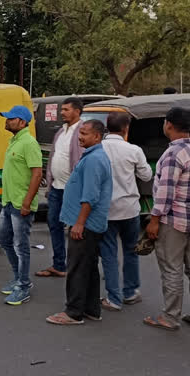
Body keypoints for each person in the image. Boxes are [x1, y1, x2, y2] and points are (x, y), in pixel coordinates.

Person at [46, 120, 112, 325]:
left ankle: (74, 312)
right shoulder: (92, 156)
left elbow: (90, 196)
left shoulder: (94, 159)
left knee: (76, 267)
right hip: (88, 223)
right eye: (80, 133)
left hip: (86, 224)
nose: (80, 137)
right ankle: (91, 308)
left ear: (97, 137)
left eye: (84, 133)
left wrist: (79, 223)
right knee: (89, 266)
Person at [100, 112, 153, 311]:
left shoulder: (98, 149)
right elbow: (147, 175)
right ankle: (130, 292)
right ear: (126, 129)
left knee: (109, 254)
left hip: (105, 210)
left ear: (107, 126)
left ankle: (113, 298)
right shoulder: (133, 150)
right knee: (131, 251)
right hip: (129, 209)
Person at [143, 107, 190, 331]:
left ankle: (170, 317)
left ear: (169, 124)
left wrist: (154, 220)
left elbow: (165, 193)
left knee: (172, 269)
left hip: (174, 221)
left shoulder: (173, 154)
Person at [0, 105, 43, 306]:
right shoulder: (14, 141)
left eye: (11, 118)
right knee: (4, 241)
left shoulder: (29, 143)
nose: (7, 121)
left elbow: (37, 173)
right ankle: (19, 278)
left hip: (20, 205)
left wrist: (26, 203)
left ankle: (23, 286)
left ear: (22, 122)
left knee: (20, 246)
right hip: (8, 202)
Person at [37, 97, 84, 279]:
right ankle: (59, 265)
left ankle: (80, 266)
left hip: (72, 191)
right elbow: (53, 158)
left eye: (66, 109)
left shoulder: (82, 131)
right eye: (61, 109)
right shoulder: (60, 132)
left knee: (76, 231)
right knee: (54, 225)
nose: (61, 112)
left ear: (77, 111)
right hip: (56, 188)